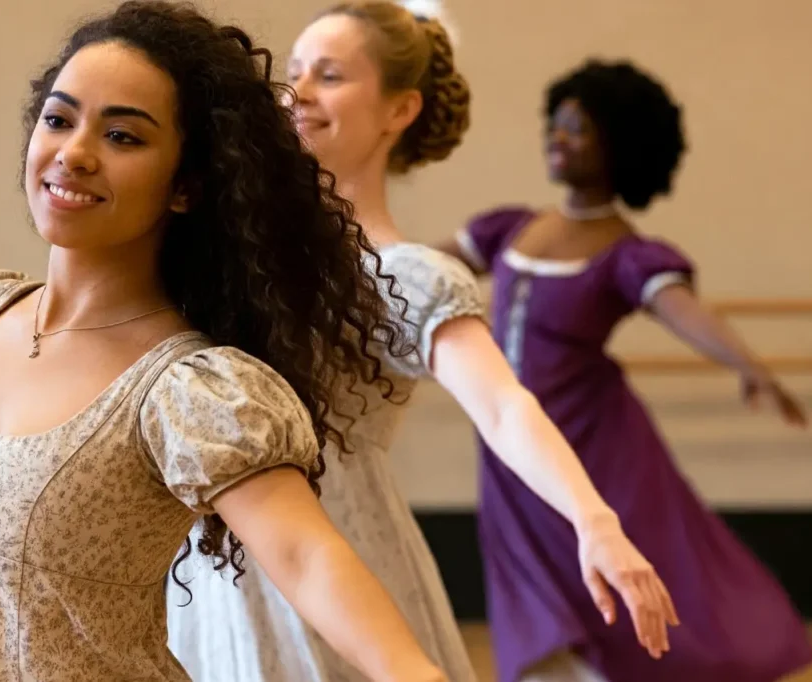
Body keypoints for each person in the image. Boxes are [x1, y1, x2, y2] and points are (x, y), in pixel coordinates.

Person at [0, 2, 477, 679]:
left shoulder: (191, 388)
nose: (73, 153)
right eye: (58, 118)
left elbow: (308, 561)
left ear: (186, 185)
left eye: (124, 137)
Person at [166, 4, 677, 682]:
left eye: (331, 74)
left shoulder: (403, 274)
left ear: (399, 110)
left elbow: (503, 407)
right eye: (294, 73)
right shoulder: (231, 248)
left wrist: (595, 522)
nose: (300, 93)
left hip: (333, 559)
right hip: (203, 568)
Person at [437, 59, 812, 681]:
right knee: (531, 581)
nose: (557, 137)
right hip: (509, 444)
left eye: (578, 129)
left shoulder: (629, 254)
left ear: (619, 146)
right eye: (554, 124)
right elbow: (416, 268)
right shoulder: (509, 227)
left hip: (595, 441)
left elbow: (687, 313)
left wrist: (751, 367)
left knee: (635, 562)